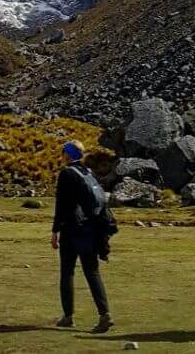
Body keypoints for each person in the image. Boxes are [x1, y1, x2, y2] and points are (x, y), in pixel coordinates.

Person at [51, 140, 113, 333]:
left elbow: (61, 205)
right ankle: (104, 313)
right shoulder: (88, 173)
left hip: (71, 230)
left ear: (67, 154)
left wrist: (55, 231)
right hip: (90, 230)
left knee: (67, 272)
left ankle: (68, 316)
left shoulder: (67, 173)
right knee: (92, 272)